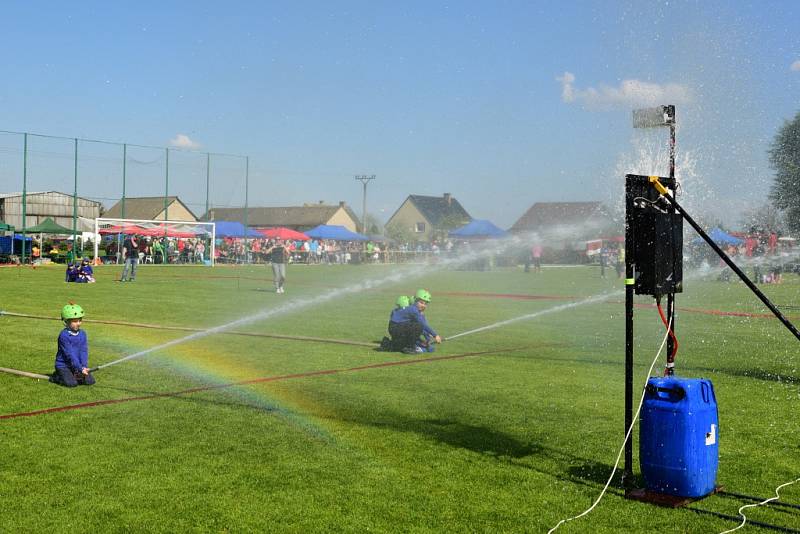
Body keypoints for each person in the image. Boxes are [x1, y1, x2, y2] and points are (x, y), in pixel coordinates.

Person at [50, 303, 95, 387]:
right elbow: (70, 355)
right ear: (66, 321)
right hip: (64, 366)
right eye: (75, 321)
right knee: (72, 383)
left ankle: (73, 375)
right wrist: (80, 369)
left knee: (90, 381)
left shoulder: (83, 334)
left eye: (80, 320)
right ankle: (56, 376)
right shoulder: (64, 336)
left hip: (76, 366)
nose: (78, 323)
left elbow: (83, 351)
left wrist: (84, 366)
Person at [386, 289, 442, 354]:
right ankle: (409, 347)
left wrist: (427, 339)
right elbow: (423, 325)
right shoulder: (413, 310)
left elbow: (422, 329)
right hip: (395, 328)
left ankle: (405, 345)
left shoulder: (414, 310)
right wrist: (435, 335)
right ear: (416, 301)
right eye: (421, 302)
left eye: (425, 304)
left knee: (417, 327)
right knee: (418, 326)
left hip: (396, 329)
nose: (423, 305)